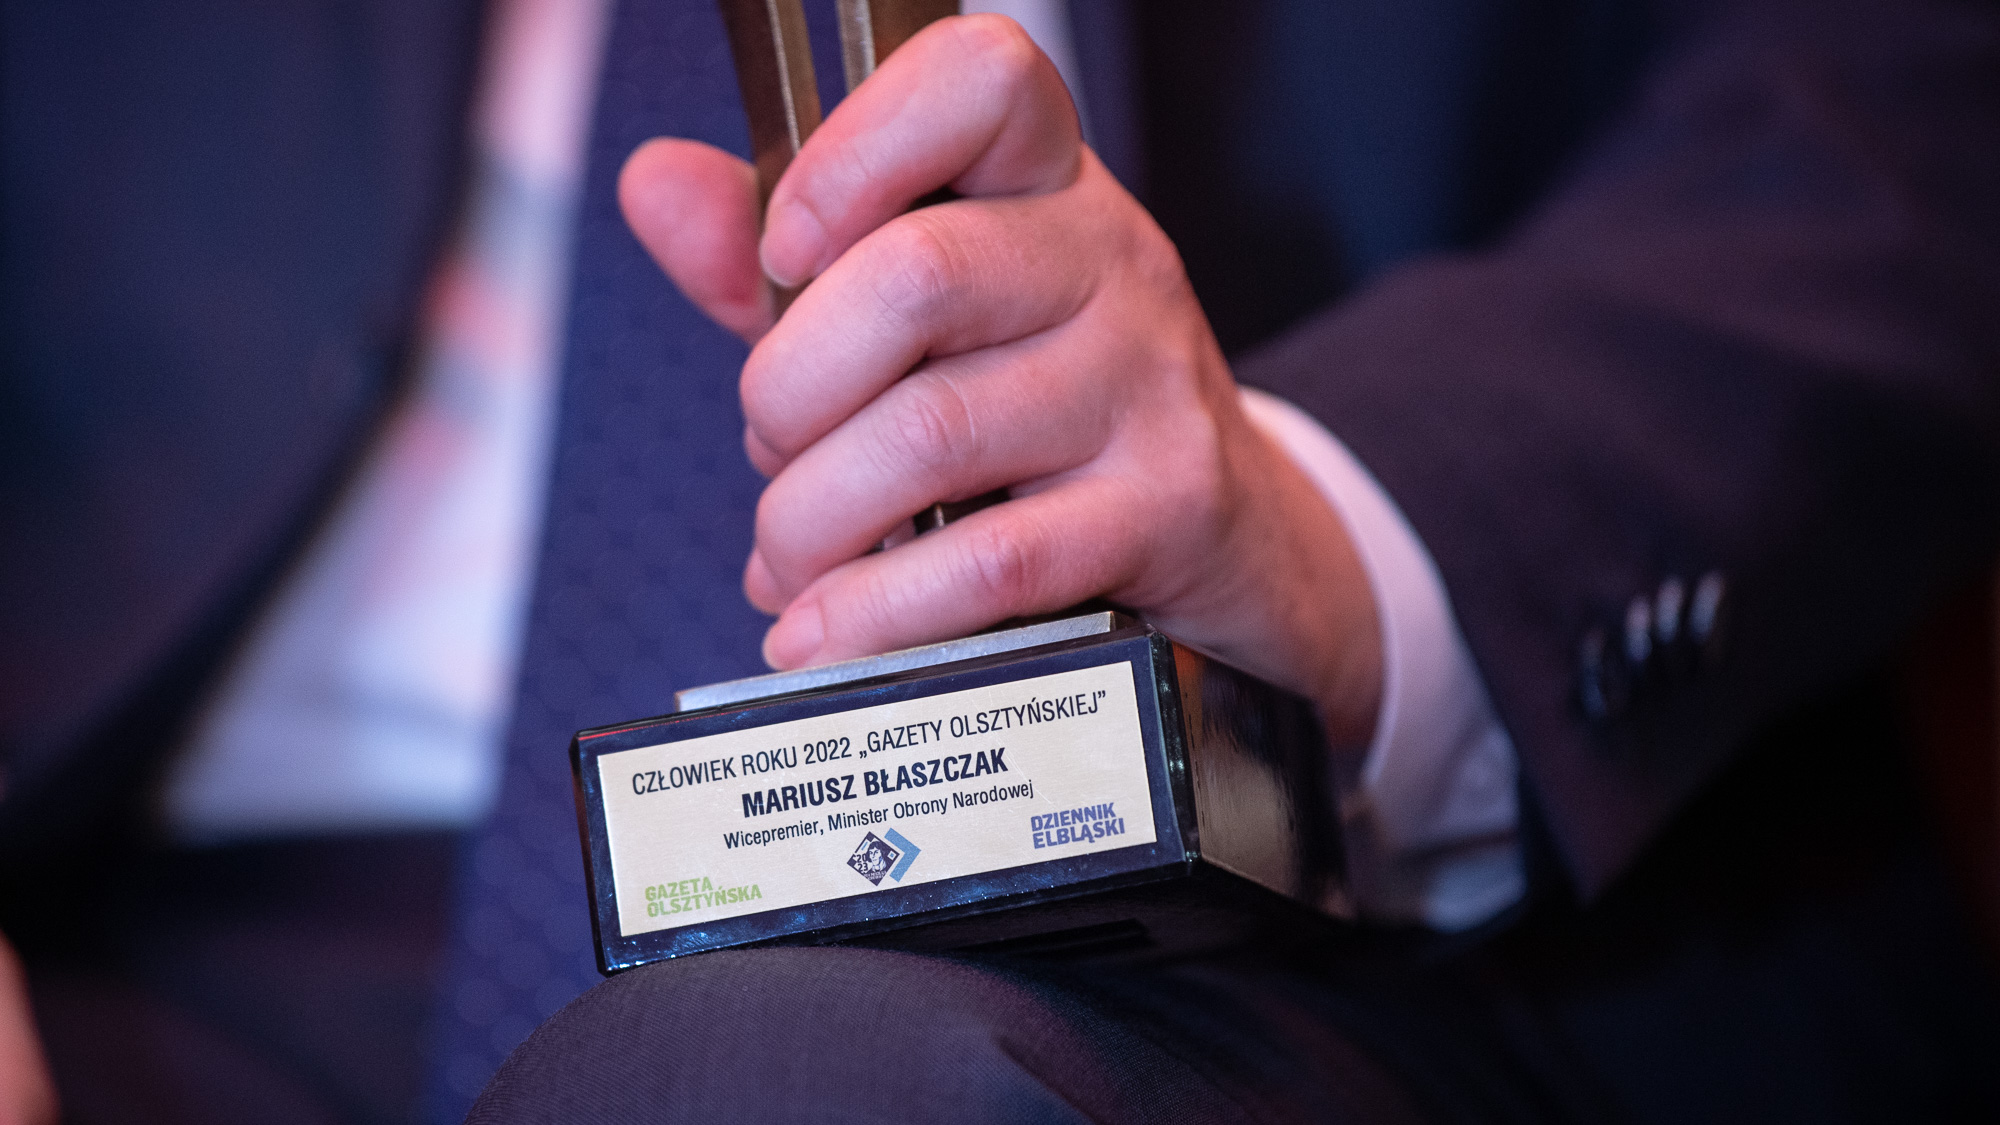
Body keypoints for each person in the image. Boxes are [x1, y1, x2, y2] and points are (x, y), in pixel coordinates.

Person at [2, 0, 1997, 1121]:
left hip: (1296, 951)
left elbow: (1911, 110)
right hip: (159, 924)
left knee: (782, 1087)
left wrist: (1322, 534)